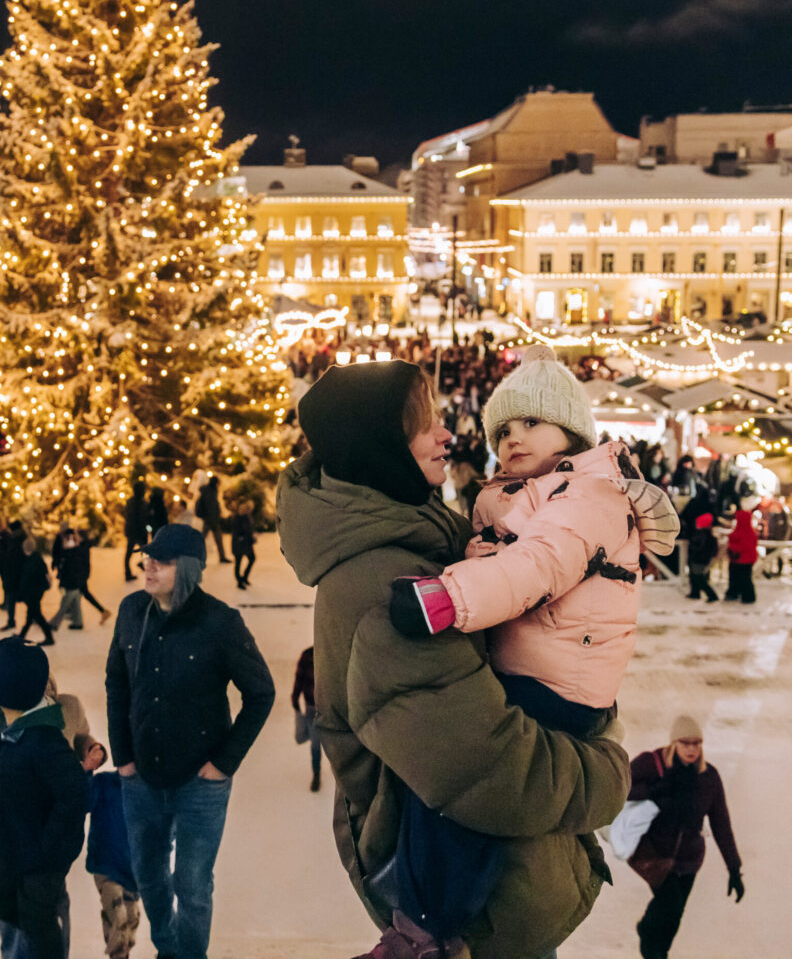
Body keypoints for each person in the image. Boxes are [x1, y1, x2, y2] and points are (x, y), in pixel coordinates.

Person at [278, 361, 632, 959]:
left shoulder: (421, 539)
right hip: (482, 912)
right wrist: (608, 774)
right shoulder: (389, 583)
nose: (449, 436)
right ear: (381, 448)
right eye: (426, 424)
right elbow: (491, 772)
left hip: (494, 889)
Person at [383, 346, 677, 955]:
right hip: (530, 671)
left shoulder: (585, 496)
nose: (513, 439)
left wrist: (446, 600)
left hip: (559, 686)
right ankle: (427, 921)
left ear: (570, 431)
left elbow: (536, 566)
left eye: (531, 424)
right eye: (504, 429)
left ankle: (433, 928)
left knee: (464, 776)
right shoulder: (519, 496)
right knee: (450, 776)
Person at [105, 523, 275, 959]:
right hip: (140, 778)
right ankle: (168, 949)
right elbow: (116, 684)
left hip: (200, 783)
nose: (148, 566)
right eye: (147, 558)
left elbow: (260, 694)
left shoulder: (220, 623)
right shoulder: (130, 611)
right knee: (149, 877)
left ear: (188, 569)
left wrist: (223, 763)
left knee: (193, 884)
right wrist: (122, 756)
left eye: (160, 561)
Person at [0, 638, 87, 959]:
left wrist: (48, 849)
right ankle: (35, 924)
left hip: (41, 854)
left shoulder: (43, 739)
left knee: (40, 926)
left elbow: (75, 794)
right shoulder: (1, 725)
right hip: (9, 839)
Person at [627, 716, 745, 959]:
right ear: (674, 743)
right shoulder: (652, 764)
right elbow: (620, 787)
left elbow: (721, 823)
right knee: (667, 907)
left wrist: (734, 869)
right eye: (685, 743)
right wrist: (652, 792)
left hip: (690, 859)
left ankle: (658, 950)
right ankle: (649, 938)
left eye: (696, 743)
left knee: (673, 918)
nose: (692, 749)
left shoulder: (708, 778)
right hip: (654, 854)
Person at [82, 736, 142, 959]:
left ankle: (124, 950)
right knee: (116, 914)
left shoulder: (147, 791)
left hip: (134, 869)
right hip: (105, 865)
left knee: (131, 918)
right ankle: (118, 955)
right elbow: (84, 801)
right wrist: (87, 770)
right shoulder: (103, 783)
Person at [49, 523, 110, 632]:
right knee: (78, 595)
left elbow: (75, 560)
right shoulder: (80, 546)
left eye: (76, 534)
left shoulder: (80, 547)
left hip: (78, 576)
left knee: (71, 596)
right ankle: (78, 620)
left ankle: (57, 621)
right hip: (79, 575)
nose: (74, 535)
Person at [13, 529, 57, 645]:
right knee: (32, 615)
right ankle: (22, 635)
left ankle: (49, 638)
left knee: (36, 616)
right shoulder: (36, 559)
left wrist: (21, 593)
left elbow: (27, 579)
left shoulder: (32, 561)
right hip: (35, 593)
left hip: (33, 594)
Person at [679, 490, 720, 603]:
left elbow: (683, 515)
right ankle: (696, 592)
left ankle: (704, 593)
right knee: (699, 572)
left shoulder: (694, 503)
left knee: (697, 573)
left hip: (696, 545)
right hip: (701, 549)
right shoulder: (709, 507)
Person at [292, 645, 321, 792]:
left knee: (328, 743)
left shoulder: (330, 653)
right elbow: (299, 678)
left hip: (328, 707)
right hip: (312, 707)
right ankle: (316, 774)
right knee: (316, 743)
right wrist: (295, 698)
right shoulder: (308, 655)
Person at [723, 503, 759, 604]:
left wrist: (732, 545)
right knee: (738, 577)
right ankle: (736, 593)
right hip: (739, 559)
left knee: (745, 579)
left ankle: (748, 597)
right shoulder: (747, 530)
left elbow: (744, 546)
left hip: (743, 559)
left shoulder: (747, 532)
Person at [196, 474, 228, 566]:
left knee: (205, 539)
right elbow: (211, 507)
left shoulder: (208, 491)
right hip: (211, 519)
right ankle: (196, 557)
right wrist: (215, 518)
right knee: (215, 539)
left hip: (209, 519)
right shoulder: (210, 492)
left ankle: (196, 557)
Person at [122, 480, 149, 582]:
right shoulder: (141, 503)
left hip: (133, 531)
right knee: (142, 551)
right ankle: (129, 573)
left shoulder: (131, 502)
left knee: (139, 552)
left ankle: (130, 571)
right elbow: (140, 518)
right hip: (137, 532)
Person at [229, 499, 257, 590]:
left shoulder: (247, 517)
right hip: (239, 544)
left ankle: (244, 577)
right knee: (238, 562)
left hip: (247, 544)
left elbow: (249, 530)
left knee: (252, 559)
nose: (243, 510)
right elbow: (237, 532)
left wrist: (252, 537)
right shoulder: (236, 519)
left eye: (245, 508)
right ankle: (239, 581)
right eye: (241, 508)